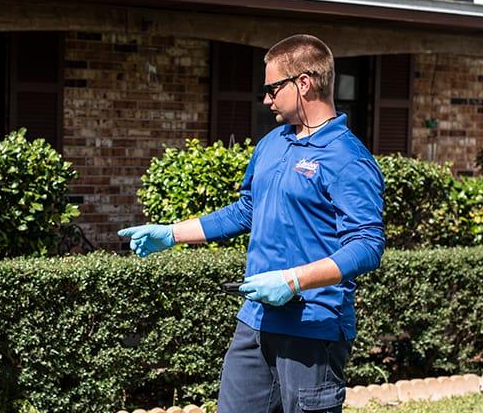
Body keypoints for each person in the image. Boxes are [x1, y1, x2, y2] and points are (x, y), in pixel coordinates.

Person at [118, 34, 385, 413]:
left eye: (273, 89)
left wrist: (293, 280)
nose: (266, 100)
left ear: (304, 83)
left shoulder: (347, 157)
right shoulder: (273, 143)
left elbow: (367, 245)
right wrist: (172, 232)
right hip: (256, 321)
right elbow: (246, 210)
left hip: (313, 326)